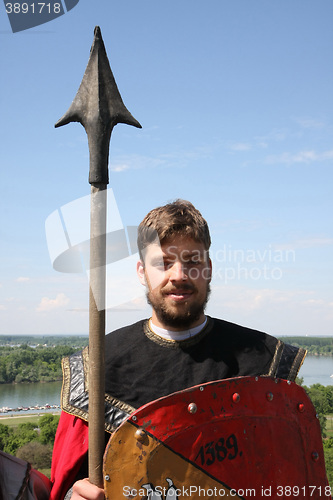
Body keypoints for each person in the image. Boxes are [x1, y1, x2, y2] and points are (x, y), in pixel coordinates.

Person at [50, 199, 306, 500]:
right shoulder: (101, 365)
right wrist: (73, 497)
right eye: (163, 263)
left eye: (192, 261)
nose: (179, 275)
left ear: (208, 269)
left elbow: (290, 477)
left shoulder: (264, 361)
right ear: (142, 272)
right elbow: (68, 480)